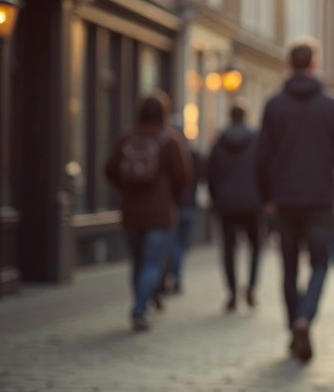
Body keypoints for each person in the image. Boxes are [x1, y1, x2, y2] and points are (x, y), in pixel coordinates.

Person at [256, 37, 334, 362]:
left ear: (288, 65)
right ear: (313, 64)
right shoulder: (330, 105)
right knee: (319, 263)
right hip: (319, 199)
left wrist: (268, 196)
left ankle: (292, 327)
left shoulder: (274, 106)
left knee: (288, 266)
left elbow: (261, 156)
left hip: (283, 200)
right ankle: (304, 318)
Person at [104, 91, 191, 332]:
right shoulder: (169, 140)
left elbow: (109, 168)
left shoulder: (126, 137)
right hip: (159, 212)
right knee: (151, 261)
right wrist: (169, 195)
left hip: (131, 210)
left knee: (137, 261)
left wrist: (126, 188)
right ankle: (140, 310)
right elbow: (183, 175)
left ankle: (139, 303)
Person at [208, 102, 264, 313]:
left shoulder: (219, 141)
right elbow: (264, 168)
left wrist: (216, 199)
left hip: (226, 204)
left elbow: (210, 173)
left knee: (229, 249)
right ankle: (250, 287)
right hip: (252, 203)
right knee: (256, 246)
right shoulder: (256, 140)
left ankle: (231, 293)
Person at [164, 114, 203, 295]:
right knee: (180, 244)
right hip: (186, 204)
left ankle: (170, 276)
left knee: (172, 243)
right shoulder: (192, 151)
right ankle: (175, 276)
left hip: (174, 203)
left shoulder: (166, 149)